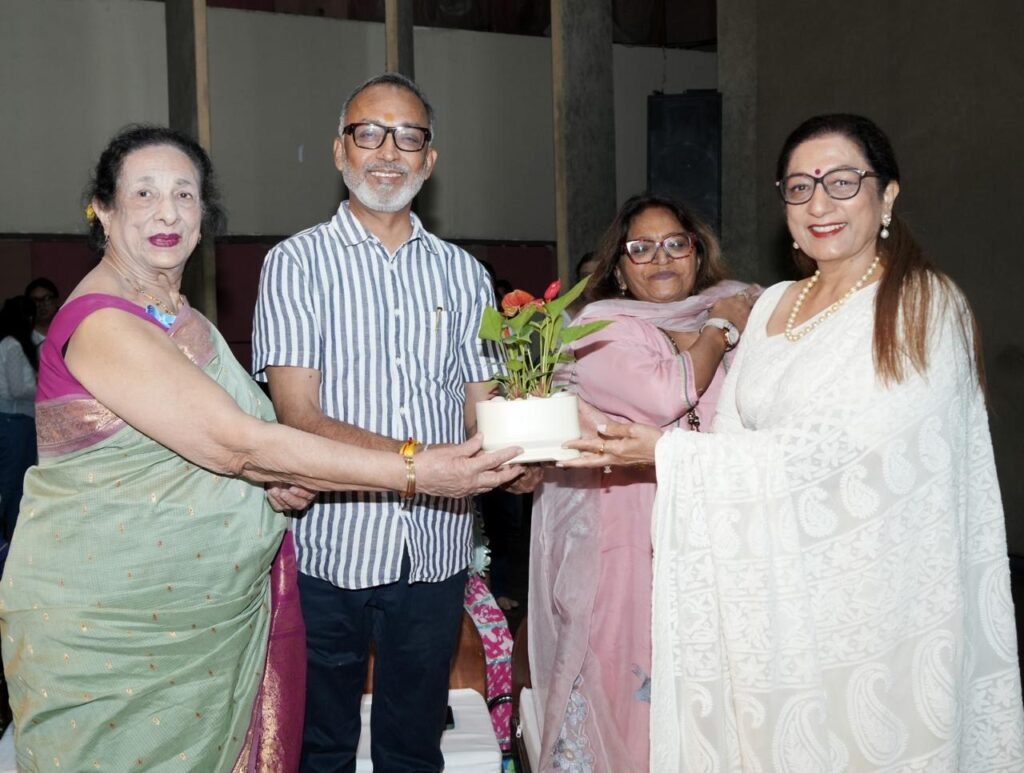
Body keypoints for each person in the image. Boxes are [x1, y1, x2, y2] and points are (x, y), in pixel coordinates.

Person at [0, 125, 523, 772]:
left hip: (204, 621)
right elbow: (238, 444)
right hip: (116, 628)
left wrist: (272, 482)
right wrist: (415, 470)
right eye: (144, 193)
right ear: (103, 211)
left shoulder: (185, 322)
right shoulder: (104, 321)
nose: (168, 212)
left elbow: (226, 444)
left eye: (185, 195)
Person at [564, 114, 1024, 771]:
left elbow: (846, 453)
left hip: (870, 609)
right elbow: (732, 432)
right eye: (801, 187)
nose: (819, 204)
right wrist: (681, 457)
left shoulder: (922, 305)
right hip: (772, 596)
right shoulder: (774, 304)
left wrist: (667, 453)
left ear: (887, 195)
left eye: (842, 182)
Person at [252, 72, 537, 772]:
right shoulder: (295, 264)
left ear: (429, 160)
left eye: (408, 137)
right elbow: (298, 416)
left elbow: (482, 406)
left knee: (414, 749)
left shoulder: (464, 274)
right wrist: (421, 463)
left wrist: (518, 457)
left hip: (435, 551)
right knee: (320, 748)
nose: (387, 151)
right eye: (369, 133)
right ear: (340, 151)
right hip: (331, 548)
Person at [529, 194, 756, 771]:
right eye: (641, 248)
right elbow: (665, 395)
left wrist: (720, 321)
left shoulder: (736, 310)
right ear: (619, 267)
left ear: (698, 253)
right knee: (628, 685)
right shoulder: (599, 328)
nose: (661, 258)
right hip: (626, 540)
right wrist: (720, 326)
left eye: (676, 244)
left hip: (714, 530)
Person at [0, 295, 38, 541]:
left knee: (15, 486)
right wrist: (43, 386)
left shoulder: (8, 342)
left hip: (15, 420)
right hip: (13, 420)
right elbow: (17, 389)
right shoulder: (13, 345)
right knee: (11, 484)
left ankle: (12, 541)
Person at [24, 277, 60, 346]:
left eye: (47, 298)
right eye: (35, 300)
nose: (41, 304)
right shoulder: (23, 338)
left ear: (57, 301)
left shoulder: (69, 332)